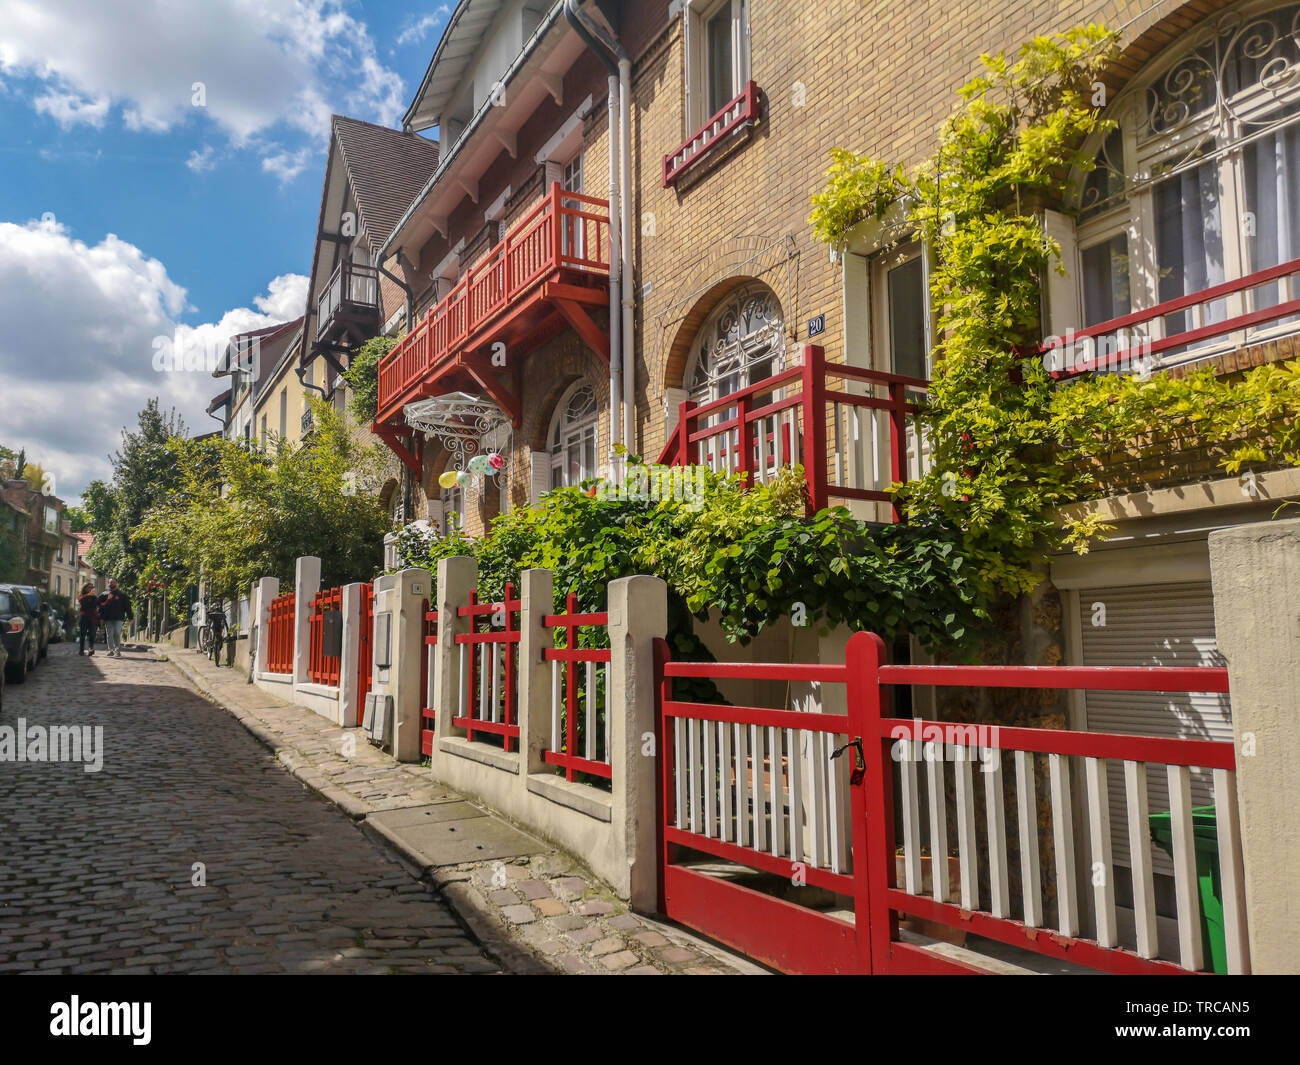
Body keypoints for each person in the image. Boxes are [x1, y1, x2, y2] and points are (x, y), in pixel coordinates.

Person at [98, 579, 134, 659]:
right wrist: (101, 618)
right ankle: (111, 650)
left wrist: (130, 617)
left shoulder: (122, 595)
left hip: (119, 618)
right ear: (108, 584)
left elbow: (128, 607)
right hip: (107, 618)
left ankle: (117, 649)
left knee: (117, 632)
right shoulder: (103, 595)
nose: (112, 584)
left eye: (113, 582)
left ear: (117, 583)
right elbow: (100, 607)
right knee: (109, 634)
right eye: (110, 582)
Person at [77, 582, 100, 656]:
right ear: (85, 588)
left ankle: (91, 648)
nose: (90, 588)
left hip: (93, 617)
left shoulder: (94, 597)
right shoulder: (81, 596)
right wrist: (87, 595)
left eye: (92, 587)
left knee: (92, 634)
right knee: (82, 634)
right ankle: (81, 650)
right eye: (89, 587)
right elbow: (81, 601)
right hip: (84, 617)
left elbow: (98, 604)